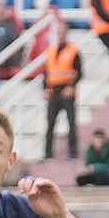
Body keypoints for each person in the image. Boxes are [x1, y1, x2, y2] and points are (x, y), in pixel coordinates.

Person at [43, 30, 82, 161]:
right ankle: (47, 153)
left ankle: (73, 153)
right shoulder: (51, 52)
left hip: (67, 92)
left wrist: (71, 87)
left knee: (71, 123)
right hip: (53, 92)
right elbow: (46, 73)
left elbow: (80, 72)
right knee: (50, 124)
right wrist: (45, 89)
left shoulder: (73, 51)